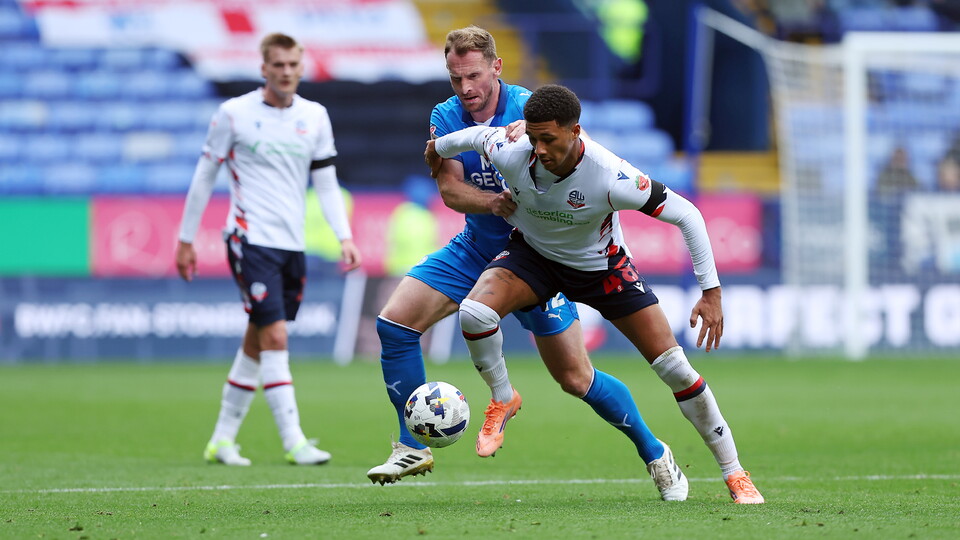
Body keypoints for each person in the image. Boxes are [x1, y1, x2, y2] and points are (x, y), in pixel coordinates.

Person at [367, 26, 688, 502]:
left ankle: (655, 452)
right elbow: (450, 189)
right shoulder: (445, 114)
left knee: (575, 378)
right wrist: (491, 202)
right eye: (455, 79)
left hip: (539, 256)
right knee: (394, 324)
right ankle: (413, 445)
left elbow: (585, 167)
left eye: (473, 76)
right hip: (478, 248)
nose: (466, 89)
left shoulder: (533, 112)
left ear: (496, 67)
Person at [425, 83, 765, 504]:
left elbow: (688, 215)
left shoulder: (611, 175)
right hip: (535, 257)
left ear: (575, 131)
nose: (540, 149)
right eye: (534, 138)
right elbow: (471, 137)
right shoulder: (510, 150)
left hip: (601, 269)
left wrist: (711, 292)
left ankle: (735, 474)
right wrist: (438, 148)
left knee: (675, 368)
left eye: (549, 139)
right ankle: (502, 398)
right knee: (475, 312)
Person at [175, 32, 362, 466]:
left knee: (259, 341)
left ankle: (221, 439)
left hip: (290, 244)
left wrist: (344, 235)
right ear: (264, 68)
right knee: (275, 335)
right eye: (277, 64)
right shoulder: (234, 114)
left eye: (293, 64)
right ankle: (295, 440)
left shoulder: (315, 116)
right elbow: (204, 176)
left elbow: (327, 182)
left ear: (301, 67)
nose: (285, 72)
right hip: (247, 238)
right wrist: (185, 239)